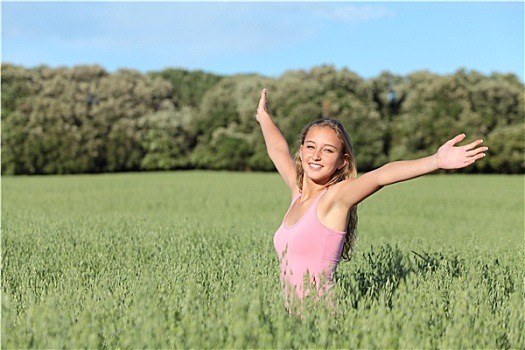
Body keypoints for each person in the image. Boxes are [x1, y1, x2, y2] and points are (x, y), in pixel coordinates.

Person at [255, 88, 488, 309]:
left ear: (342, 161)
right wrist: (263, 117)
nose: (316, 155)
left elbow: (380, 176)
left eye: (328, 150)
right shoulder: (298, 194)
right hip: (290, 319)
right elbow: (277, 150)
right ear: (302, 151)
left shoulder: (334, 198)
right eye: (311, 146)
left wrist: (435, 161)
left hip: (319, 320)